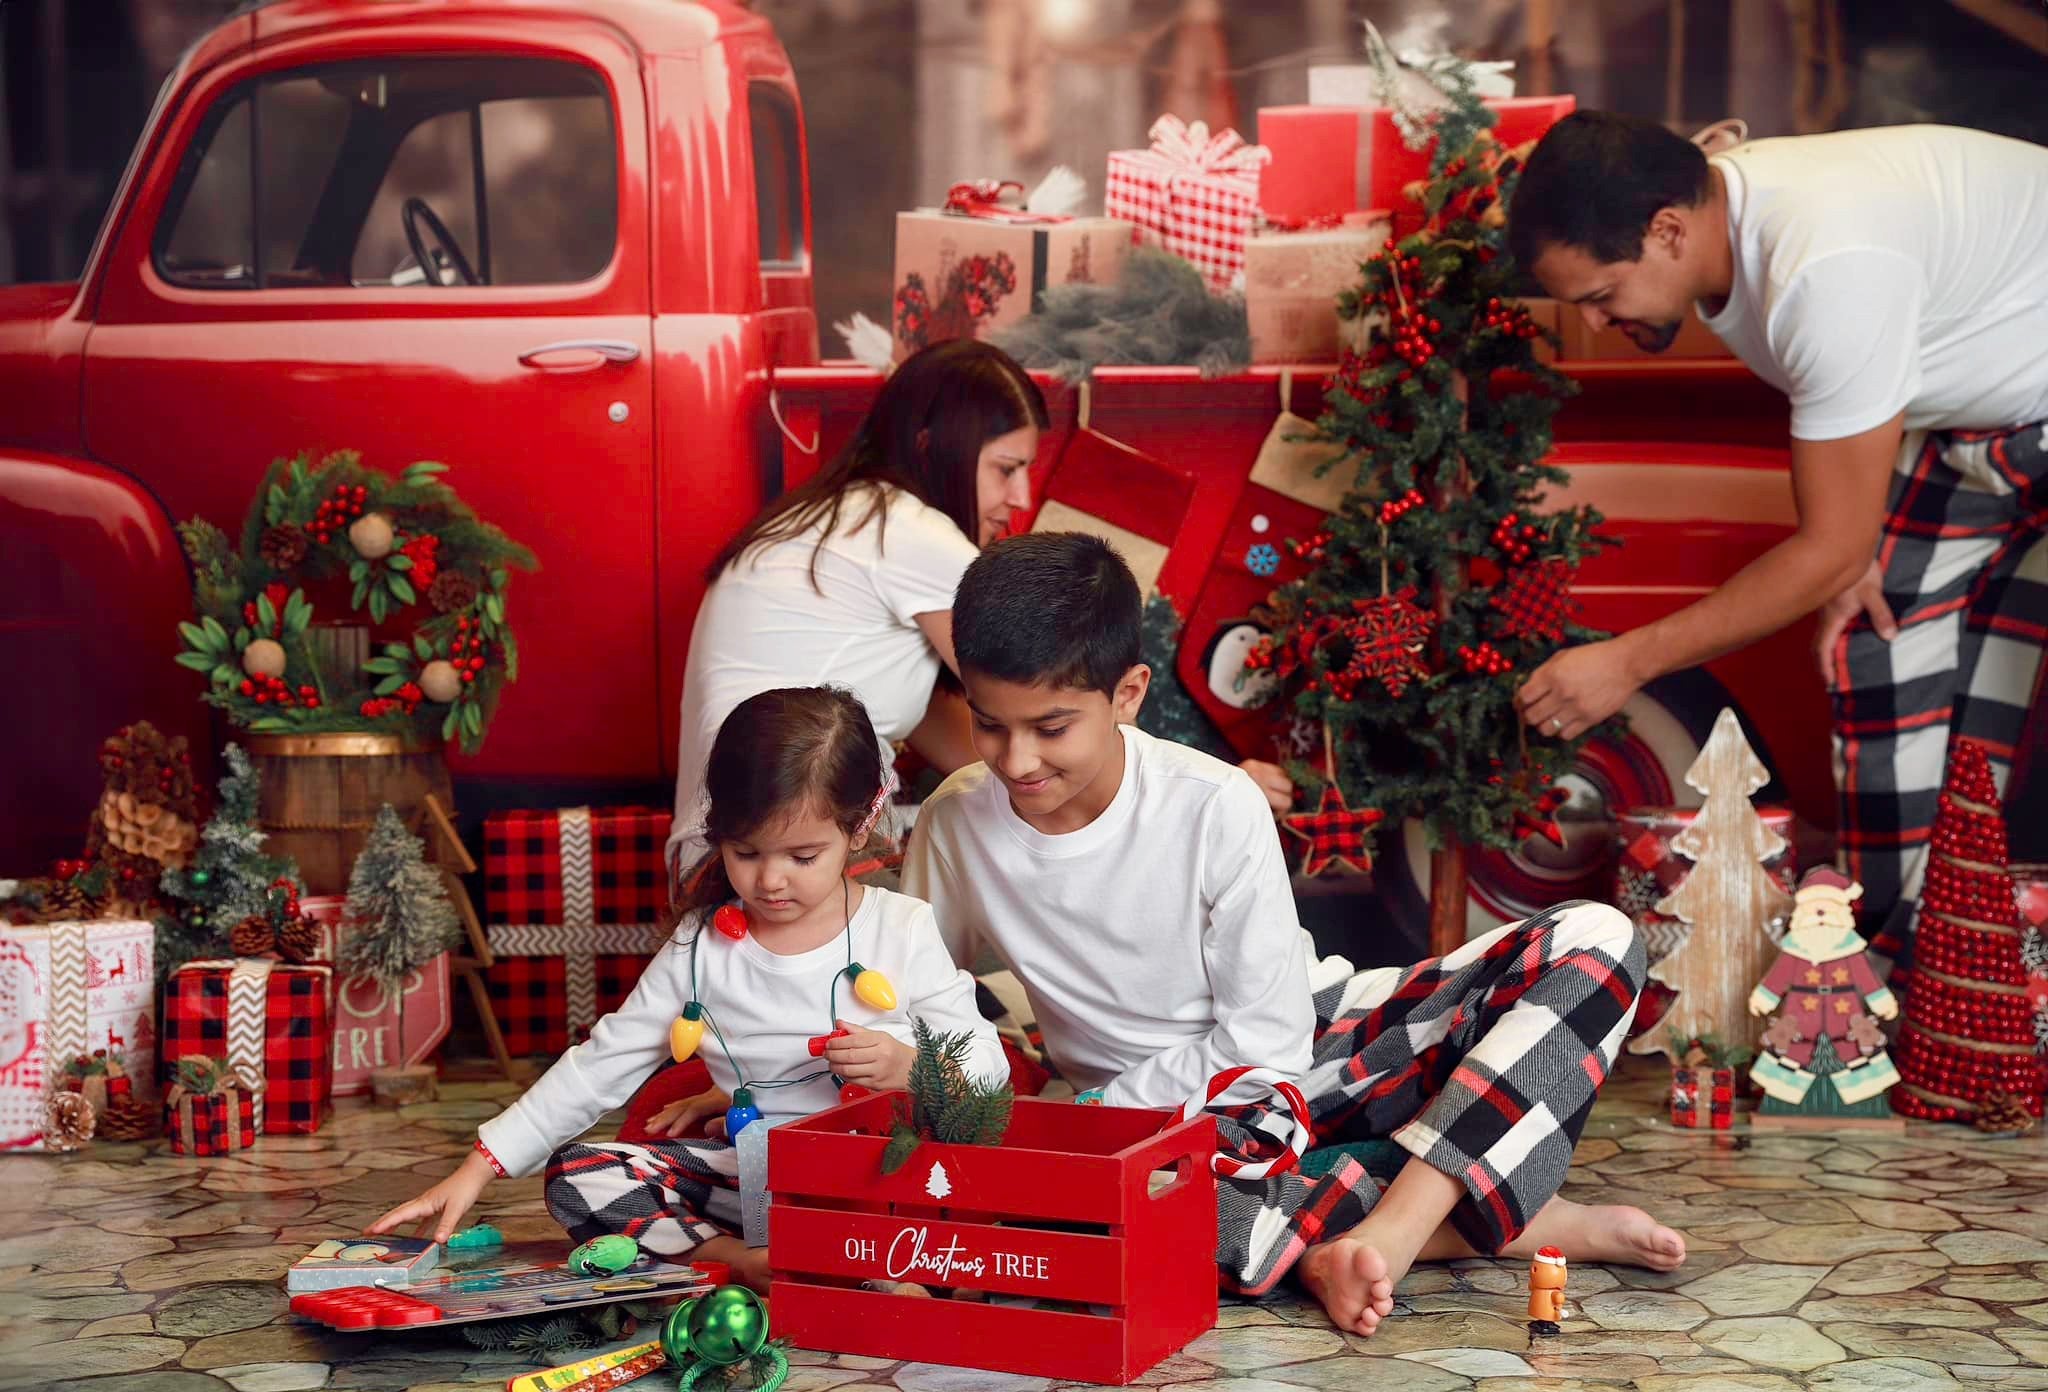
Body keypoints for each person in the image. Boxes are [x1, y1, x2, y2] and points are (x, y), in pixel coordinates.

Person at [901, 532, 1686, 1337]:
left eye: (1052, 727)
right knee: (1085, 1223)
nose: (1017, 760)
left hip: (1316, 1042)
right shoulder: (956, 821)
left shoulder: (1211, 804)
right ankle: (1497, 1206)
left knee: (1594, 941)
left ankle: (1395, 1231)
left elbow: (1266, 1038)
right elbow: (927, 990)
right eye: (990, 726)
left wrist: (1094, 1107)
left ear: (1128, 693)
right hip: (1170, 1127)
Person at [1506, 112, 2048, 957]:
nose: (1599, 324)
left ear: (1668, 230)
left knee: (1884, 602)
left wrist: (1626, 661)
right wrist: (1844, 542)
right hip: (1981, 417)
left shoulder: (1823, 268)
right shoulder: (1720, 200)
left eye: (1602, 297)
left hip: (2024, 401)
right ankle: (1913, 961)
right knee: (1873, 643)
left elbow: (1829, 548)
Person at [370, 687, 1005, 1293]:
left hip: (882, 1183)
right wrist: (476, 1170)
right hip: (757, 1187)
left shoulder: (900, 927)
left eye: (803, 856)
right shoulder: (701, 946)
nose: (771, 880)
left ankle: (869, 1259)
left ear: (859, 826)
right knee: (579, 1174)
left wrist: (908, 1065)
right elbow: (600, 1065)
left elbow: (989, 1072)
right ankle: (742, 1261)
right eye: (746, 852)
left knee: (968, 1184)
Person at [665, 339, 1049, 878]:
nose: (1022, 496)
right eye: (1006, 469)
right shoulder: (907, 529)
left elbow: (957, 734)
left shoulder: (836, 516)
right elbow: (1037, 693)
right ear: (931, 449)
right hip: (788, 859)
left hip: (725, 862)